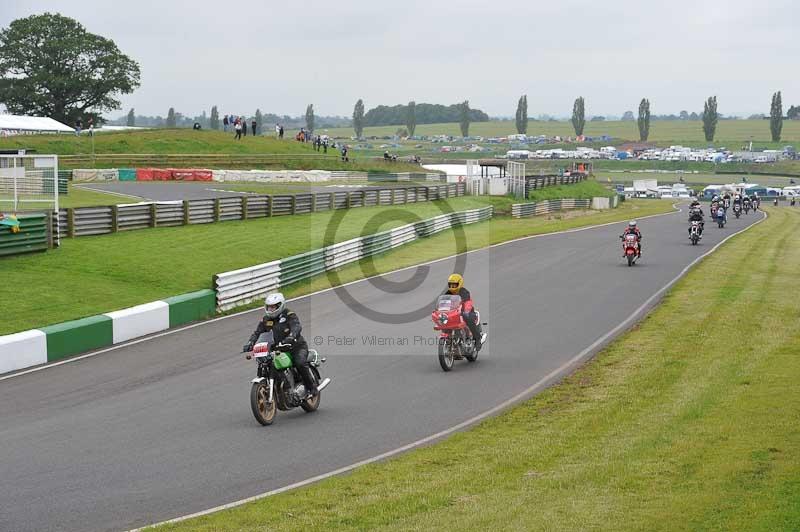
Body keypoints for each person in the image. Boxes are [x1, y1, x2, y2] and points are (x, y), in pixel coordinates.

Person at [243, 292, 319, 399]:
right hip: (276, 349)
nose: (270, 309)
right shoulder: (266, 320)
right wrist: (250, 343)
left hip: (296, 347)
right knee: (265, 364)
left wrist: (290, 337)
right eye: (268, 307)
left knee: (300, 363)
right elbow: (257, 332)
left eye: (273, 307)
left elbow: (296, 327)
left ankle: (312, 388)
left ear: (280, 306)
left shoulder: (289, 315)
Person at [442, 273, 485, 352]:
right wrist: (440, 310)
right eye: (451, 285)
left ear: (459, 284)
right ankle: (451, 340)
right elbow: (444, 303)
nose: (452, 287)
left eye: (454, 285)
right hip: (454, 313)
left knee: (468, 318)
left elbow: (468, 303)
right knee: (445, 321)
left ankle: (478, 339)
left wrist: (466, 311)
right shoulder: (448, 293)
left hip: (466, 312)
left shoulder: (464, 292)